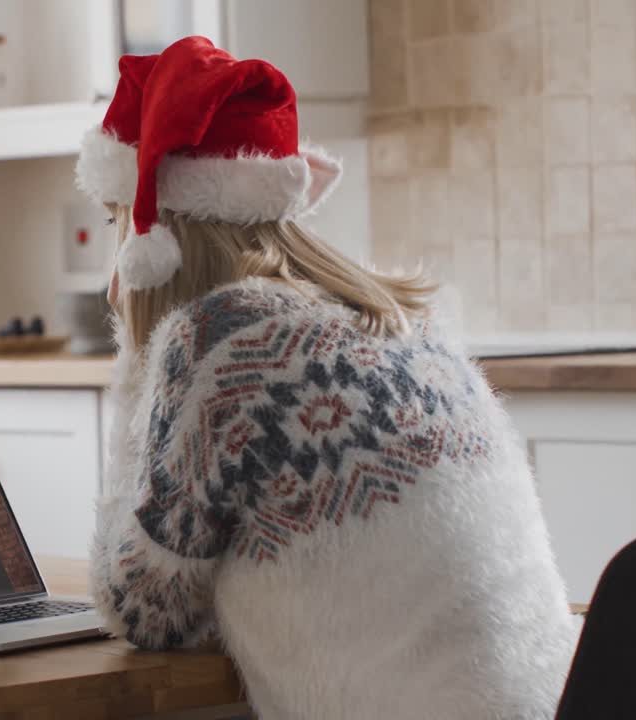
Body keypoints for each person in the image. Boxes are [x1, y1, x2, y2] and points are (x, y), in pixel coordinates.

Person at [79, 37, 579, 719]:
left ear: (154, 242)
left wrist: (135, 374)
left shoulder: (215, 345)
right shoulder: (404, 323)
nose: (113, 283)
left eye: (116, 224)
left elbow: (144, 610)